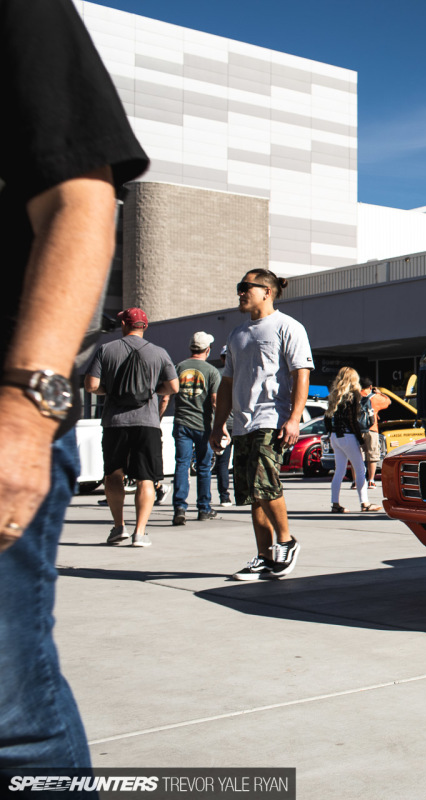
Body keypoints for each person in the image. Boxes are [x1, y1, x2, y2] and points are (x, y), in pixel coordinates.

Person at [0, 0, 148, 773]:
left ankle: (141, 528)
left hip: (16, 416)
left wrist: (25, 419)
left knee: (9, 721)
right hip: (123, 424)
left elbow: (82, 198)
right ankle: (133, 528)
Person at [210, 270, 313, 581]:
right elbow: (226, 384)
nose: (240, 293)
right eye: (239, 288)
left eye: (246, 287)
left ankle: (286, 540)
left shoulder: (287, 327)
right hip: (242, 422)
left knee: (264, 483)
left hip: (271, 418)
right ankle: (265, 556)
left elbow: (301, 374)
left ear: (267, 291)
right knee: (254, 494)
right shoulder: (237, 334)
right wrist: (219, 425)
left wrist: (294, 418)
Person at [83, 308, 179, 547]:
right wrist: (153, 392)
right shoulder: (159, 353)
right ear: (144, 326)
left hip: (115, 423)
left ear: (125, 324)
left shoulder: (106, 350)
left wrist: (110, 390)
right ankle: (140, 532)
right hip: (147, 423)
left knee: (113, 474)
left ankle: (118, 527)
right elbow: (173, 387)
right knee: (146, 477)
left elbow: (91, 385)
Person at [171, 331, 221, 525]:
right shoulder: (211, 371)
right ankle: (203, 508)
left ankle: (180, 508)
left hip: (182, 423)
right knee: (204, 467)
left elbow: (167, 395)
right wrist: (220, 426)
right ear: (207, 350)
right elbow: (215, 402)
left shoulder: (179, 367)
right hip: (204, 425)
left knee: (182, 465)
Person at [325, 368, 382, 513]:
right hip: (348, 436)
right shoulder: (352, 397)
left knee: (339, 471)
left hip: (335, 436)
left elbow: (326, 418)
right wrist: (360, 440)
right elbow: (352, 422)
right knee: (360, 469)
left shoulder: (334, 395)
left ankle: (335, 504)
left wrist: (329, 433)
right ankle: (365, 503)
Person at [359, 376, 391, 487]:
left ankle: (356, 481)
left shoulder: (354, 396)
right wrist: (380, 393)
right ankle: (371, 480)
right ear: (371, 387)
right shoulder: (375, 398)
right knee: (372, 456)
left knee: (357, 456)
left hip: (356, 430)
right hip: (371, 429)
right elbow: (388, 402)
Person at [212, 346, 233, 506]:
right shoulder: (239, 372)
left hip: (224, 423)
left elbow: (214, 401)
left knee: (223, 463)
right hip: (237, 423)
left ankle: (224, 495)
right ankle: (227, 495)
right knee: (237, 461)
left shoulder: (217, 374)